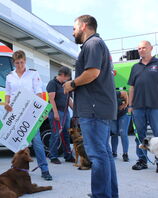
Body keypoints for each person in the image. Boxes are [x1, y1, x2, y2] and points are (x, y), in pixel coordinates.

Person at [64, 15, 118, 198]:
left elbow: (93, 73)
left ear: (84, 26)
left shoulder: (92, 44)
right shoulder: (96, 44)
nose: (73, 32)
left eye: (74, 28)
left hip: (94, 109)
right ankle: (108, 193)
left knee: (97, 155)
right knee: (104, 154)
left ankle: (101, 195)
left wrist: (71, 84)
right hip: (99, 108)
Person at [5, 50, 52, 181]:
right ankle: (19, 170)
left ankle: (45, 169)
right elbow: (8, 93)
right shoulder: (10, 76)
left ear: (25, 61)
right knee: (18, 143)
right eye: (17, 63)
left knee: (36, 141)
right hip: (15, 112)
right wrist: (6, 103)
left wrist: (42, 111)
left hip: (30, 111)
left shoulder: (33, 74)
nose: (19, 65)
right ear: (13, 63)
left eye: (21, 62)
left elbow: (38, 92)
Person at [128, 40, 158, 170]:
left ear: (151, 48)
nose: (141, 50)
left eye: (144, 48)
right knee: (139, 135)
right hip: (138, 107)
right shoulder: (135, 67)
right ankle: (142, 160)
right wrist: (130, 106)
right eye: (139, 48)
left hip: (155, 107)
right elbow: (132, 88)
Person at [46, 66, 75, 164]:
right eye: (67, 78)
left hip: (65, 112)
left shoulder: (65, 85)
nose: (68, 80)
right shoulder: (52, 83)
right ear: (62, 75)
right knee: (55, 134)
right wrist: (55, 113)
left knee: (66, 134)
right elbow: (51, 99)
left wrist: (75, 110)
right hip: (57, 112)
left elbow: (69, 99)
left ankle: (68, 155)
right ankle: (53, 156)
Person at [110, 91, 130, 162]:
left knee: (123, 133)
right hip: (113, 115)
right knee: (114, 132)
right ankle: (114, 153)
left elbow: (125, 93)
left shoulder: (112, 92)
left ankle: (125, 153)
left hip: (123, 114)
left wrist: (126, 104)